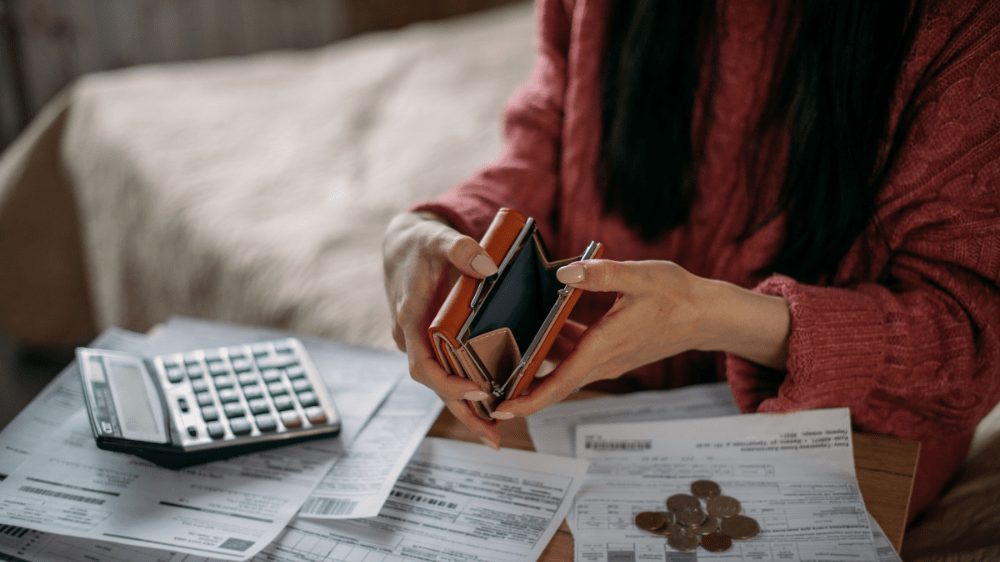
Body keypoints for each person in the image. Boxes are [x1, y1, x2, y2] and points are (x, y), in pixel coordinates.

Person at [382, 0, 1000, 522]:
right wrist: (441, 226)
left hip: (843, 433)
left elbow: (969, 342)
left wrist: (722, 318)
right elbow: (549, 127)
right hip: (590, 393)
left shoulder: (966, 24)